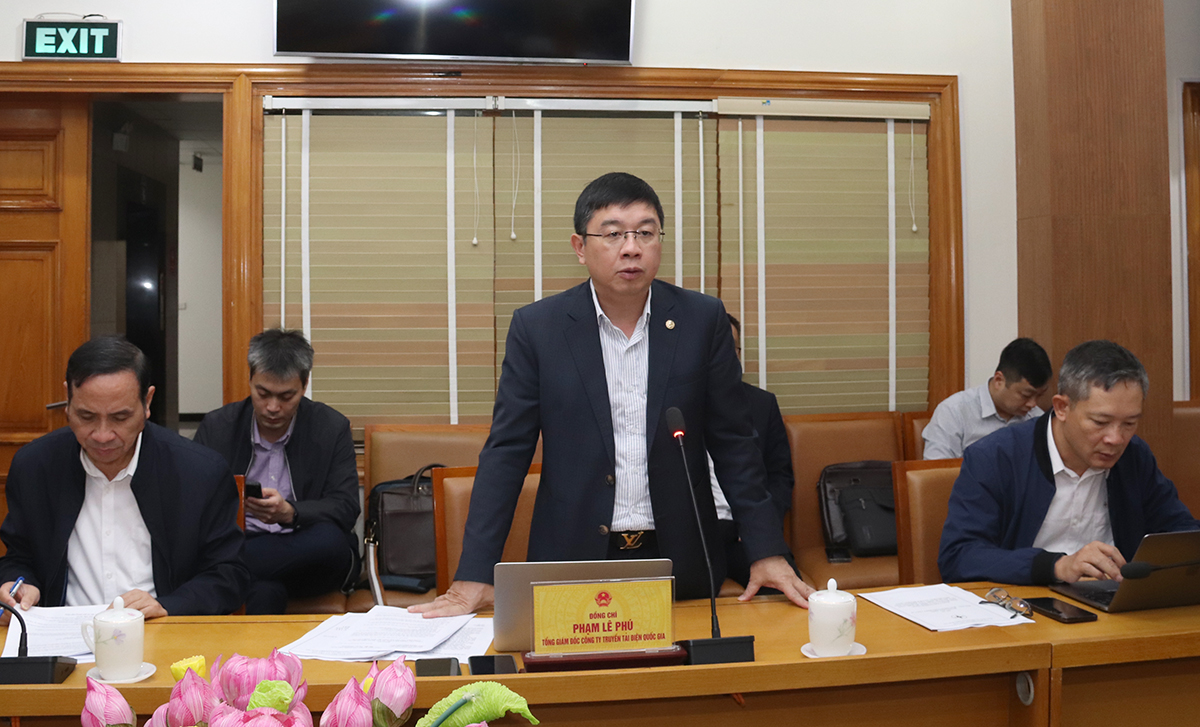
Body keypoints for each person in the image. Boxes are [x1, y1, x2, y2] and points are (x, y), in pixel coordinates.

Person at [412, 172, 812, 618]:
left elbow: (735, 444)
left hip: (681, 559)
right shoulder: (538, 329)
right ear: (580, 247)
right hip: (572, 558)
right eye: (613, 233)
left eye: (645, 232)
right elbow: (507, 453)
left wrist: (766, 550)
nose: (631, 247)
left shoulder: (702, 320)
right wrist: (474, 573)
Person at [0, 337, 248, 620]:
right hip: (66, 632)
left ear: (147, 402)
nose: (102, 435)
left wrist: (168, 605)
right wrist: (18, 586)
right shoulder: (35, 467)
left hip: (160, 630)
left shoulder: (199, 472)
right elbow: (19, 557)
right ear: (68, 399)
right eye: (86, 416)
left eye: (120, 418)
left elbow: (229, 574)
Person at [938, 340, 1199, 585]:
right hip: (1024, 603)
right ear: (1062, 407)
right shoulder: (995, 457)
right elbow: (959, 556)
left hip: (1112, 602)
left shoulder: (1134, 456)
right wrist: (1057, 566)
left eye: (1129, 423)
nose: (1116, 438)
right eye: (1100, 422)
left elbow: (1180, 533)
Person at [195, 329, 360, 614]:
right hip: (246, 542)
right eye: (263, 394)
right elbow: (195, 504)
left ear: (304, 385)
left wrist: (291, 513)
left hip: (308, 558)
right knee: (264, 590)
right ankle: (233, 574)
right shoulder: (218, 427)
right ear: (250, 380)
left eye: (286, 396)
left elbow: (345, 507)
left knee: (331, 540)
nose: (273, 407)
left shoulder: (331, 427)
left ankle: (224, 570)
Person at [709, 314, 794, 586]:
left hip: (746, 531)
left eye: (729, 349)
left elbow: (780, 476)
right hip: (695, 534)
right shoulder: (669, 406)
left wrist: (761, 525)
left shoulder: (762, 404)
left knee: (785, 593)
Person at [923, 337, 1053, 459]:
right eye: (1026, 395)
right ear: (999, 380)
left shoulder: (1038, 419)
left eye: (1039, 396)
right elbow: (936, 470)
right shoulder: (953, 412)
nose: (1033, 404)